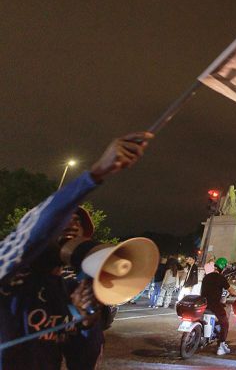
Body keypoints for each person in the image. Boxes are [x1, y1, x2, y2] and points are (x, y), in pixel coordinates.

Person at [0, 131, 152, 369]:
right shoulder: (9, 269)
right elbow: (31, 232)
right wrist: (95, 174)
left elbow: (82, 364)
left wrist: (85, 323)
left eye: (78, 224)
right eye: (63, 222)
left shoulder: (69, 290)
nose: (72, 224)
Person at [200, 257, 236, 356]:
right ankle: (221, 345)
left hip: (203, 303)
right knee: (225, 322)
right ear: (223, 268)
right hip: (213, 304)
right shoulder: (221, 278)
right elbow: (231, 290)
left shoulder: (206, 277)